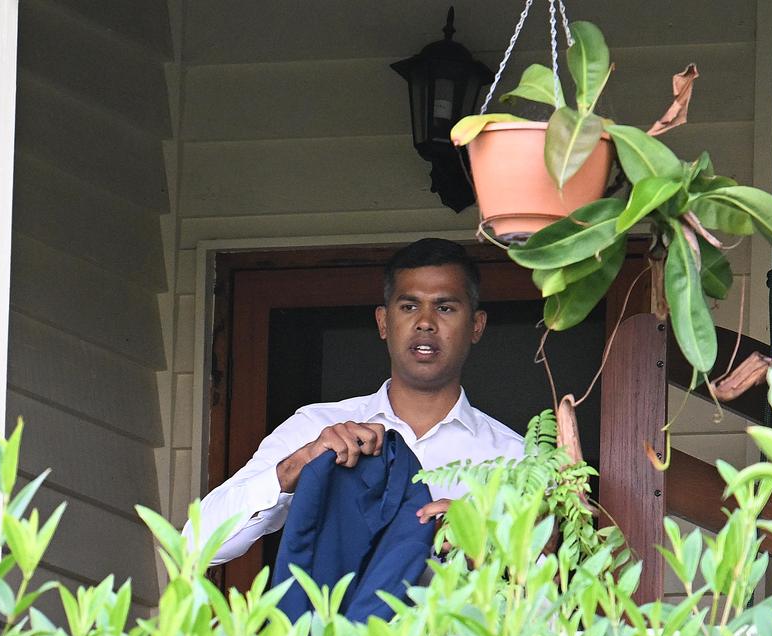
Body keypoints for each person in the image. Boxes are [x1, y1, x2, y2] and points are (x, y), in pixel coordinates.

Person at [183, 238, 524, 565]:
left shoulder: (517, 457)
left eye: (445, 307)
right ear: (383, 322)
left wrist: (486, 543)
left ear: (476, 326)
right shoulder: (315, 427)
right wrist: (300, 464)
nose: (425, 322)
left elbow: (550, 600)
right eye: (408, 306)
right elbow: (195, 546)